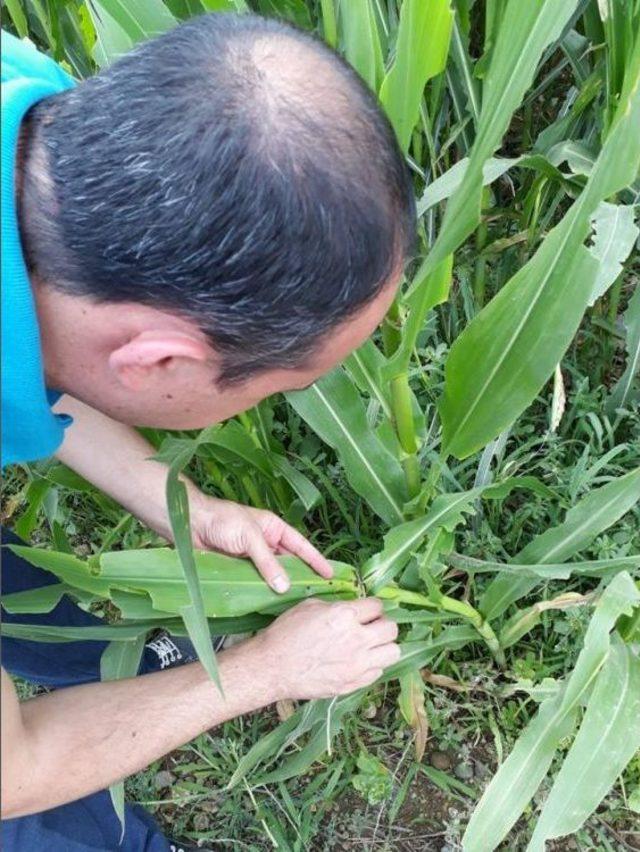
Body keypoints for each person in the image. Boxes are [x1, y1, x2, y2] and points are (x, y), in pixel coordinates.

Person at [0, 12, 415, 851]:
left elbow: (51, 355)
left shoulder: (33, 109)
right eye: (280, 386)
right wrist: (264, 671)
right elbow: (9, 773)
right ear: (154, 362)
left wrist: (186, 505)